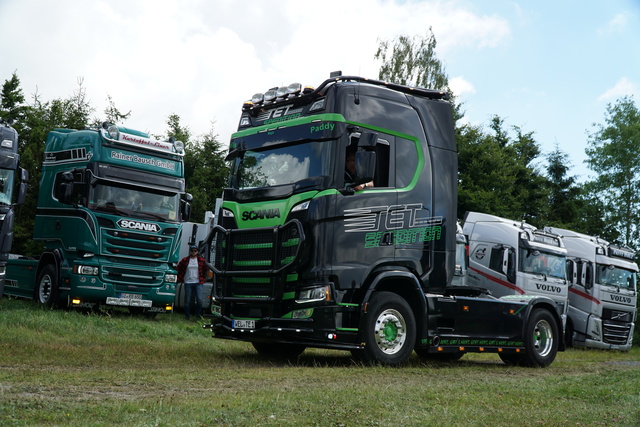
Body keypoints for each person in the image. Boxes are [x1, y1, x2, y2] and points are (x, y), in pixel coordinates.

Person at [177, 244, 207, 320]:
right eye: (192, 251)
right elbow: (178, 268)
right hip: (188, 282)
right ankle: (187, 315)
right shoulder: (185, 260)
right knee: (188, 300)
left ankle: (197, 315)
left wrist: (205, 278)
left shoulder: (201, 260)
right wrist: (179, 278)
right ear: (190, 251)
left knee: (199, 300)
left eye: (195, 251)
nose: (193, 252)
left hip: (198, 282)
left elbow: (207, 269)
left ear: (197, 252)